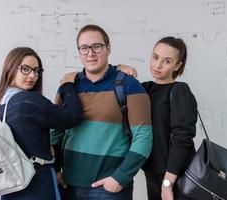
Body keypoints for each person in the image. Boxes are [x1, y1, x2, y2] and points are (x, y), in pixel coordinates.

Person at [51, 24, 153, 200]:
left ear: (108, 48)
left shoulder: (129, 85)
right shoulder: (68, 86)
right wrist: (55, 171)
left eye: (97, 46)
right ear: (79, 51)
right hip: (68, 185)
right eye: (84, 48)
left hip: (108, 189)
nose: (91, 53)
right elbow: (55, 134)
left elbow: (143, 137)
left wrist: (120, 178)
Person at [0, 47, 83, 200]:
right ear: (10, 68)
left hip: (10, 185)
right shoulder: (29, 101)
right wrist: (67, 86)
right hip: (37, 183)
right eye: (25, 69)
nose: (33, 76)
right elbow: (73, 117)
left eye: (37, 70)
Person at [119, 36, 197, 200]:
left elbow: (183, 138)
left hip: (176, 177)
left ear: (177, 65)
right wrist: (119, 68)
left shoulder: (179, 90)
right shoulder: (146, 88)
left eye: (167, 61)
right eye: (155, 57)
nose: (158, 65)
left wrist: (168, 183)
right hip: (153, 173)